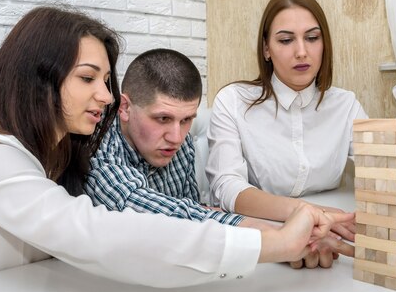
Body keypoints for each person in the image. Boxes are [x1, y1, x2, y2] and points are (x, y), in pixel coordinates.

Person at [0, 6, 353, 292]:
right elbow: (100, 232)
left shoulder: (59, 158)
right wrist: (278, 241)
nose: (106, 96)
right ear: (38, 78)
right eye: (88, 78)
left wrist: (292, 230)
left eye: (106, 81)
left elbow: (183, 212)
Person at [207, 0, 367, 267]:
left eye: (312, 38)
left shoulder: (346, 105)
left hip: (331, 234)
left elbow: (382, 166)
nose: (301, 51)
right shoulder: (233, 101)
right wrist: (310, 214)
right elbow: (226, 187)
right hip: (262, 238)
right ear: (266, 49)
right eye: (285, 40)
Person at [85, 48, 278, 231]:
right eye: (163, 119)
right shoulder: (97, 141)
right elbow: (133, 205)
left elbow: (190, 212)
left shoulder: (179, 142)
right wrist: (258, 230)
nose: (177, 138)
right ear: (125, 108)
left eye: (186, 120)